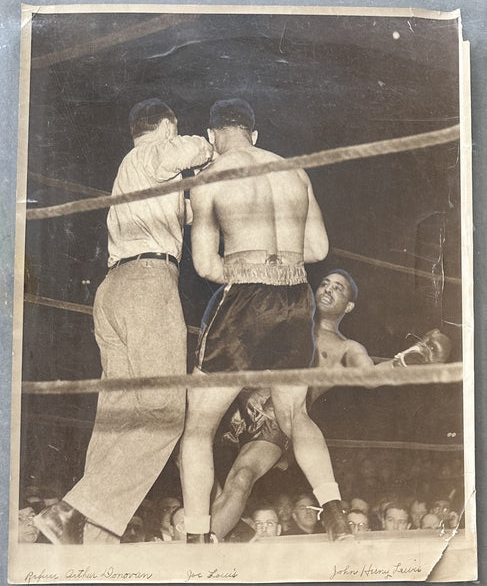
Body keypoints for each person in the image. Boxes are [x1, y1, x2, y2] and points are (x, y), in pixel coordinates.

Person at [34, 99, 213, 544]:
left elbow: (189, 211)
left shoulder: (141, 173)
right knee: (168, 412)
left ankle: (91, 535)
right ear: (167, 126)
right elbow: (178, 154)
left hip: (115, 290)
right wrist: (210, 146)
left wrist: (206, 184)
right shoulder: (153, 153)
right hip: (148, 284)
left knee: (118, 414)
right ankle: (71, 511)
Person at [179, 98, 350, 543]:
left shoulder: (210, 175)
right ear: (255, 135)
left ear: (214, 136)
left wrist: (244, 272)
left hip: (246, 298)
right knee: (294, 412)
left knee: (199, 423)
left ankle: (198, 536)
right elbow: (317, 250)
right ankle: (333, 509)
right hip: (294, 296)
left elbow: (203, 265)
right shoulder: (296, 172)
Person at [209, 269, 451, 539]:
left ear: (349, 306)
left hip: (278, 419)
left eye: (338, 288)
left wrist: (408, 358)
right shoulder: (286, 318)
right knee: (187, 456)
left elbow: (371, 378)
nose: (328, 289)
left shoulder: (346, 347)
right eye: (324, 283)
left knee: (241, 479)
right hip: (236, 400)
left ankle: (213, 542)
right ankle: (213, 539)